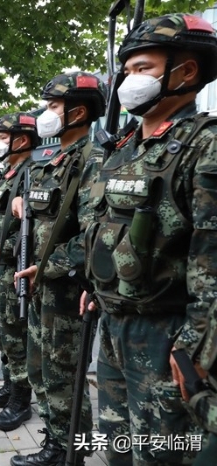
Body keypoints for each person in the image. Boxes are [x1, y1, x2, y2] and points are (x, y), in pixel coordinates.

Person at [78, 14, 217, 465]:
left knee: (161, 453)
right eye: (128, 71)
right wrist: (95, 286)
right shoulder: (125, 147)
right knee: (115, 443)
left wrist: (195, 348)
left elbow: (210, 261)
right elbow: (105, 228)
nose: (130, 81)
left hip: (165, 334)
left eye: (144, 68)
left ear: (187, 71)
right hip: (114, 323)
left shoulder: (204, 145)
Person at [10, 71, 107, 466]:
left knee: (65, 375)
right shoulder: (54, 159)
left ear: (78, 112)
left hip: (68, 288)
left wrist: (46, 267)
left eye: (53, 107)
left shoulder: (94, 159)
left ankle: (71, 452)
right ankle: (54, 439)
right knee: (40, 368)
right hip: (41, 284)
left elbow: (95, 235)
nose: (45, 115)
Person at [0, 113, 39, 432]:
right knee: (1, 330)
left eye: (3, 137)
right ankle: (8, 385)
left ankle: (20, 399)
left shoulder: (32, 174)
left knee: (15, 334)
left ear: (22, 140)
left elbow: (35, 224)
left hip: (15, 268)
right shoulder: (8, 172)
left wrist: (7, 246)